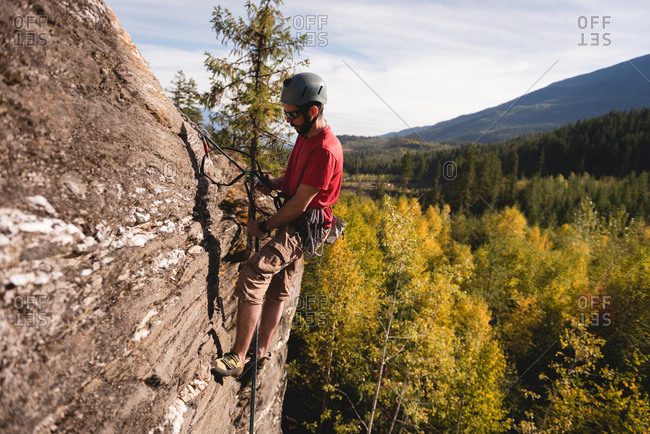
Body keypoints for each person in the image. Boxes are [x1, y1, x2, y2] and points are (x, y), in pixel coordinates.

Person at [212, 72, 343, 377]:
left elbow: (301, 203)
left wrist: (266, 225)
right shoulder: (306, 137)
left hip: (302, 225)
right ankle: (260, 353)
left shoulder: (325, 149)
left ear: (313, 111)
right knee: (279, 289)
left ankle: (238, 357)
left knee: (254, 273)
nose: (288, 120)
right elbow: (298, 182)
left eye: (292, 114)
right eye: (285, 113)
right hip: (298, 219)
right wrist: (274, 182)